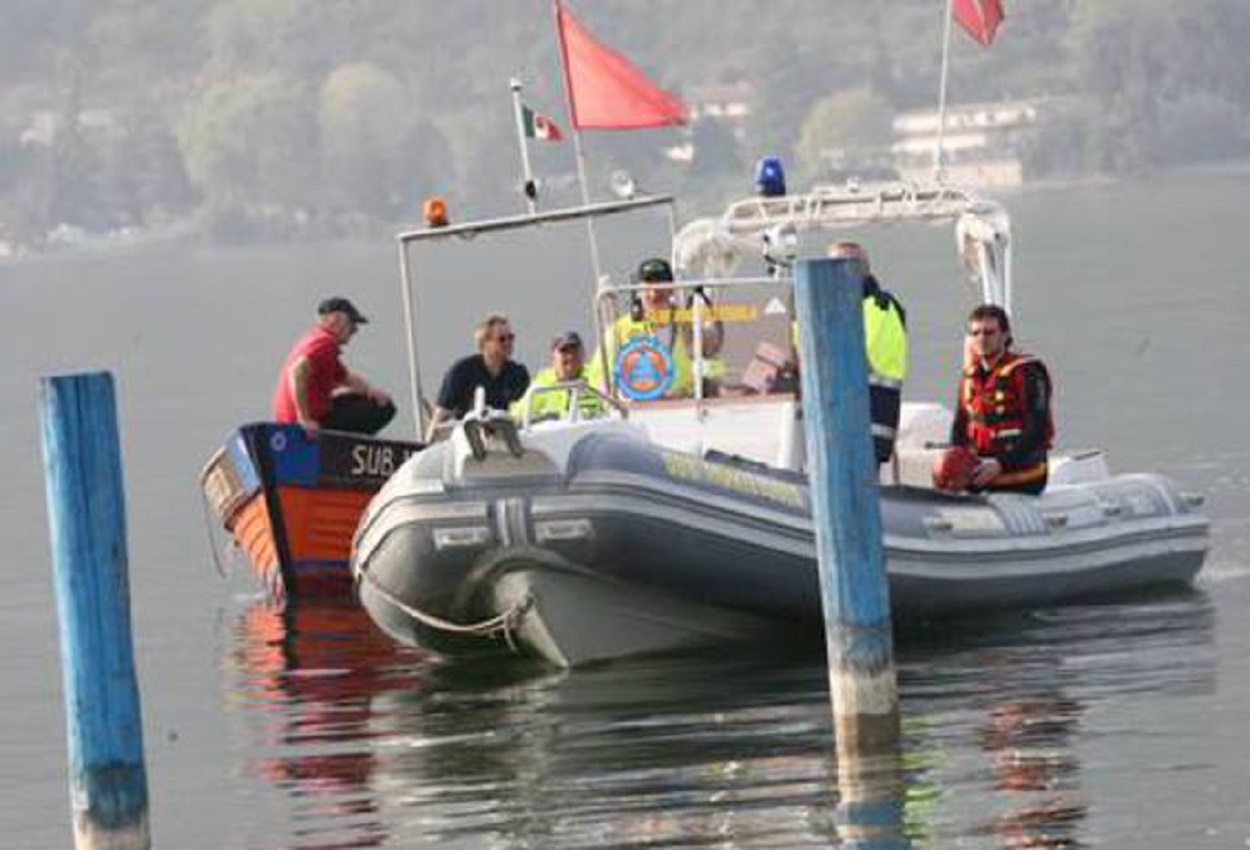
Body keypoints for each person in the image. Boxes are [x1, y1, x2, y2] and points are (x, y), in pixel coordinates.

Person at [784, 243, 908, 464]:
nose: (839, 274)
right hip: (834, 428)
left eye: (848, 266)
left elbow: (840, 359)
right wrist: (799, 311)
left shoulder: (881, 309)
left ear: (865, 271)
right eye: (833, 267)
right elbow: (797, 352)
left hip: (864, 428)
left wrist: (804, 312)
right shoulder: (832, 310)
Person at [944, 303, 1054, 494]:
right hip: (981, 470)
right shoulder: (970, 376)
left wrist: (1000, 464)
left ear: (1004, 336)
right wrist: (956, 464)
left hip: (1022, 472)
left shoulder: (1026, 371)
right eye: (975, 333)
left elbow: (1038, 428)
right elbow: (959, 428)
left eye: (989, 333)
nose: (981, 339)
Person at [586, 257, 723, 400]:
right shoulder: (619, 331)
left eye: (660, 285)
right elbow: (598, 377)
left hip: (686, 408)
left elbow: (712, 366)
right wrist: (623, 395)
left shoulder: (691, 326)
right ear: (638, 291)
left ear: (671, 289)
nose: (654, 293)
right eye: (648, 286)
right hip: (637, 412)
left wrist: (700, 388)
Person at [272, 296, 395, 437]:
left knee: (360, 397)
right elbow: (298, 371)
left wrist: (370, 390)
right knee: (385, 408)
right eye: (352, 323)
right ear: (335, 320)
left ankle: (347, 443)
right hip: (303, 422)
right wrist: (304, 419)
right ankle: (347, 447)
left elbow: (346, 378)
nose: (355, 330)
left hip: (294, 419)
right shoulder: (324, 343)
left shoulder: (316, 340)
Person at [427, 313, 530, 439]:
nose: (508, 342)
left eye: (511, 337)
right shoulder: (461, 371)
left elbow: (522, 413)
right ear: (484, 343)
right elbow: (440, 416)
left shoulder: (518, 374)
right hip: (467, 439)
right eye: (502, 339)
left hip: (508, 439)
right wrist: (427, 445)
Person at [509, 330, 606, 421]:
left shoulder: (595, 376)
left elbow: (610, 405)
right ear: (553, 357)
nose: (570, 356)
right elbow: (520, 414)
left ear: (583, 353)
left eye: (574, 350)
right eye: (564, 351)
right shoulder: (543, 382)